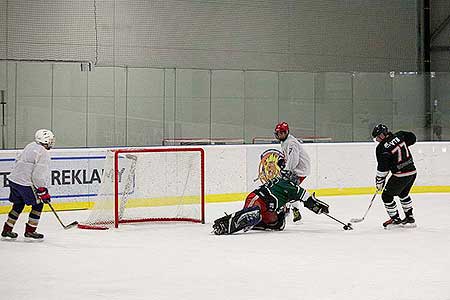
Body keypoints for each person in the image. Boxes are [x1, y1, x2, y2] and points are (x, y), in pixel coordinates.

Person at [212, 169, 329, 235]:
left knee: (277, 224)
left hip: (268, 209)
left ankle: (254, 222)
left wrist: (317, 206)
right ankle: (225, 225)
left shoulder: (286, 184)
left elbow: (308, 200)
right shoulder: (291, 187)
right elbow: (309, 200)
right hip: (257, 199)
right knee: (253, 213)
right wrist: (319, 208)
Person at [1, 129, 55, 240]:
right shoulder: (43, 153)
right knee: (38, 204)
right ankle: (30, 231)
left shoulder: (30, 145)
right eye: (50, 140)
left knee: (18, 204)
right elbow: (38, 176)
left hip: (14, 180)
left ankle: (7, 229)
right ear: (44, 140)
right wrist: (42, 190)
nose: (51, 142)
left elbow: (17, 161)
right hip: (25, 184)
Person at [372, 124, 417, 229]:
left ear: (382, 135)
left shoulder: (381, 148)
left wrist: (379, 181)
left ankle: (396, 219)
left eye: (377, 137)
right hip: (412, 171)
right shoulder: (400, 135)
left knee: (386, 196)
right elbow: (413, 138)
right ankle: (410, 218)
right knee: (403, 193)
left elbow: (383, 168)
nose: (377, 140)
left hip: (400, 175)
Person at [274, 121, 311, 222]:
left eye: (281, 133)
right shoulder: (285, 141)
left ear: (286, 132)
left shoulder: (291, 143)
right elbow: (289, 157)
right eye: (278, 133)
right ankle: (291, 209)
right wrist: (283, 162)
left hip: (300, 170)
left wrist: (287, 169)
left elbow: (294, 160)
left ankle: (291, 209)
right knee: (287, 188)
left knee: (289, 188)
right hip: (296, 169)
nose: (279, 135)